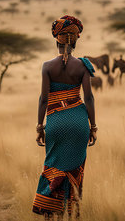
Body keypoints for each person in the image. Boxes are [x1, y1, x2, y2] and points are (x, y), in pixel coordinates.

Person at [33, 15, 97, 220]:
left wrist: (39, 126)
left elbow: (44, 99)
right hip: (79, 123)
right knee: (75, 170)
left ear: (57, 40)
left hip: (55, 122)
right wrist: (93, 126)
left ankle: (50, 213)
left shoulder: (47, 67)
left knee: (53, 166)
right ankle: (73, 214)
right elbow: (88, 97)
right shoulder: (83, 66)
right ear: (76, 40)